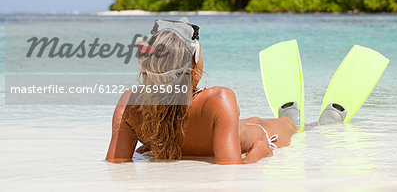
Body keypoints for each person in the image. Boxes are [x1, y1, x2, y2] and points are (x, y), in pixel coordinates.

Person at [106, 18, 298, 164]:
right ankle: (292, 120)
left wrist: (157, 142)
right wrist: (261, 151)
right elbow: (232, 171)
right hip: (261, 135)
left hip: (229, 127)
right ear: (195, 72)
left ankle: (298, 122)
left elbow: (116, 165)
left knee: (251, 122)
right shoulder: (218, 100)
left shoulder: (130, 103)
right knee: (284, 124)